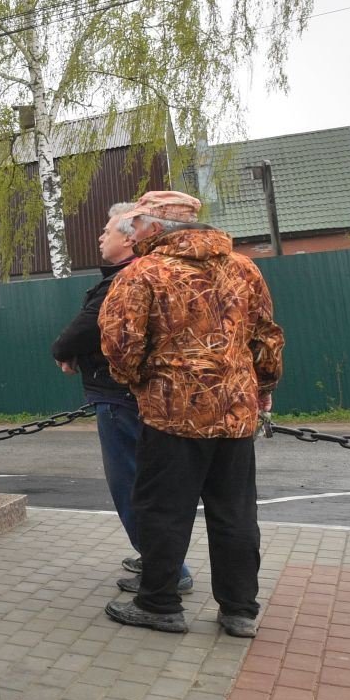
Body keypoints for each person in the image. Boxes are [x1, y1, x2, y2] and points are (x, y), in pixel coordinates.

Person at [99, 191, 284, 637]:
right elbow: (267, 338)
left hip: (171, 414)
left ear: (157, 227)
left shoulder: (143, 273)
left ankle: (159, 604)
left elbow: (121, 345)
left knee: (163, 509)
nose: (133, 232)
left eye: (138, 224)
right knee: (236, 513)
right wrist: (263, 387)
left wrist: (139, 381)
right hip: (235, 414)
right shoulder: (244, 268)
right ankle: (239, 610)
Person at [51, 202, 192, 595]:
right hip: (136, 395)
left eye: (108, 231)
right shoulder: (143, 273)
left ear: (131, 237)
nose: (100, 237)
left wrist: (64, 351)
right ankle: (160, 560)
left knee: (132, 484)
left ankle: (169, 571)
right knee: (145, 483)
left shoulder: (126, 278)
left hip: (120, 396)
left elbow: (85, 329)